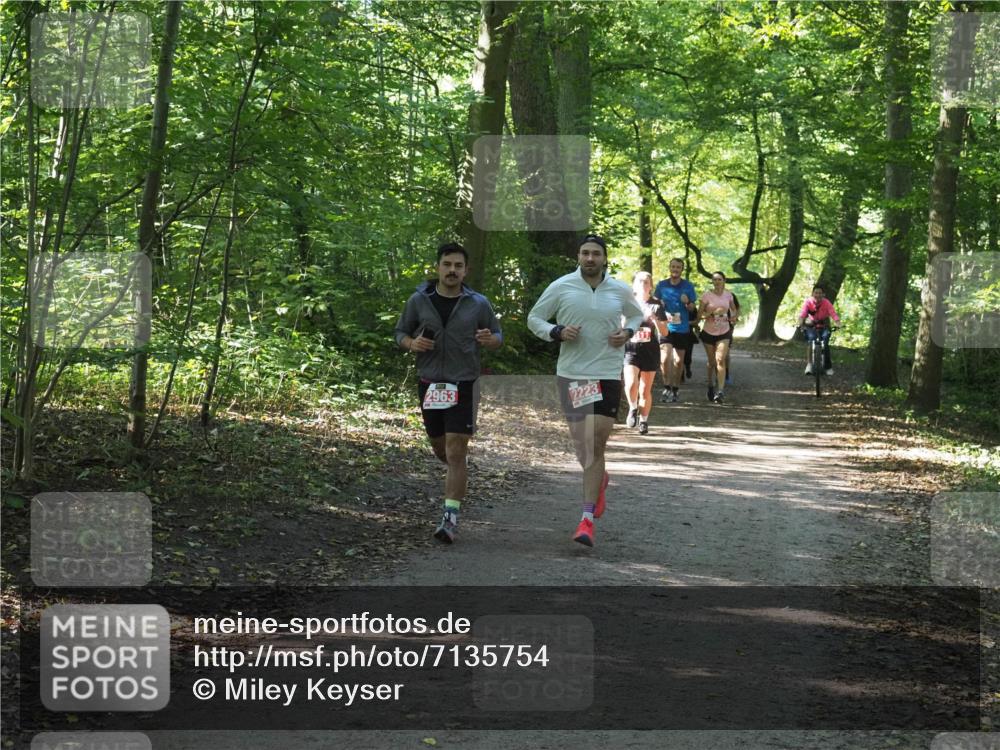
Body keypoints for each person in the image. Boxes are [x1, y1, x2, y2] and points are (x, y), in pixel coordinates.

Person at [528, 234, 644, 547]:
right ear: (578, 257)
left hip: (606, 372)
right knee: (584, 446)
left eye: (595, 254)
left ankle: (586, 520)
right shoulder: (562, 286)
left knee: (596, 441)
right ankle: (599, 480)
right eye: (585, 253)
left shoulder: (619, 289)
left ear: (605, 258)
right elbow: (534, 318)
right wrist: (556, 331)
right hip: (573, 374)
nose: (590, 258)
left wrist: (628, 331)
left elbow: (637, 314)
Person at [395, 242, 503, 543]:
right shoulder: (418, 300)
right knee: (442, 449)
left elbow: (497, 335)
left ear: (465, 270)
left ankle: (449, 518)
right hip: (430, 383)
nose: (452, 270)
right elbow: (400, 333)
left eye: (458, 265)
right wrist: (411, 344)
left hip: (464, 383)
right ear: (438, 267)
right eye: (447, 264)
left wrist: (489, 339)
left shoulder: (478, 303)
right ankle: (458, 473)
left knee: (456, 450)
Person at [623, 272, 667, 435]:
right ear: (633, 284)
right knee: (630, 384)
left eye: (646, 281)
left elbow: (665, 332)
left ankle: (643, 421)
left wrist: (654, 318)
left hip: (650, 351)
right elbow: (619, 325)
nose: (643, 283)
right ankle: (633, 407)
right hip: (631, 349)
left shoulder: (656, 304)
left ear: (651, 285)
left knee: (644, 390)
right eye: (640, 281)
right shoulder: (627, 303)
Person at [653, 258, 697, 402]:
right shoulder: (662, 285)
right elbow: (654, 303)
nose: (675, 269)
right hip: (666, 327)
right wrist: (660, 304)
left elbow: (692, 308)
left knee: (678, 361)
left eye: (678, 267)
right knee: (665, 358)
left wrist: (688, 303)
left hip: (682, 328)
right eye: (673, 266)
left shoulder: (688, 286)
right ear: (669, 268)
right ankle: (666, 387)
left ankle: (676, 389)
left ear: (682, 269)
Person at [697, 272, 739, 403]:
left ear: (724, 281)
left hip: (724, 331)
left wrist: (734, 317)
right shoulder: (706, 295)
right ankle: (710, 385)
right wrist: (711, 313)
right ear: (712, 282)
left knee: (720, 359)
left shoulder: (728, 295)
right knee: (712, 363)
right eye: (714, 280)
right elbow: (699, 315)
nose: (717, 282)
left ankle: (720, 391)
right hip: (709, 332)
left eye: (719, 279)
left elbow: (734, 309)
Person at [797, 284, 840, 375]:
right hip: (811, 326)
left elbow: (833, 313)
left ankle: (828, 367)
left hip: (824, 325)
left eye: (820, 293)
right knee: (811, 340)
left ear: (823, 294)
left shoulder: (826, 302)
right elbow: (803, 313)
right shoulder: (808, 302)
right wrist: (800, 322)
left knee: (825, 342)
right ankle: (809, 365)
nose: (818, 295)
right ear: (813, 293)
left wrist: (837, 322)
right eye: (816, 293)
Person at [724, 291, 741, 386]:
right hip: (714, 329)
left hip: (728, 329)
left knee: (726, 353)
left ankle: (726, 373)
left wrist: (734, 319)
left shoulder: (731, 297)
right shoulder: (712, 297)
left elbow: (737, 310)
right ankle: (719, 374)